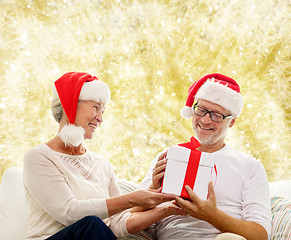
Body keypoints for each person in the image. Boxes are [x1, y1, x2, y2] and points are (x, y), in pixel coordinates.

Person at [23, 72, 185, 240]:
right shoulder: (38, 157)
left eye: (103, 110)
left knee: (97, 227)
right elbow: (69, 213)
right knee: (92, 225)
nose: (100, 118)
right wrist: (133, 199)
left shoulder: (102, 164)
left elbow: (117, 225)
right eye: (95, 107)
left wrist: (167, 210)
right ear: (69, 104)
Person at [139, 73, 272, 240]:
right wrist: (153, 187)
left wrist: (211, 215)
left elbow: (261, 235)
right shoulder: (169, 156)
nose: (205, 120)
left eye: (216, 115)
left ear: (231, 122)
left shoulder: (249, 166)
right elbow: (129, 215)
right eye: (201, 110)